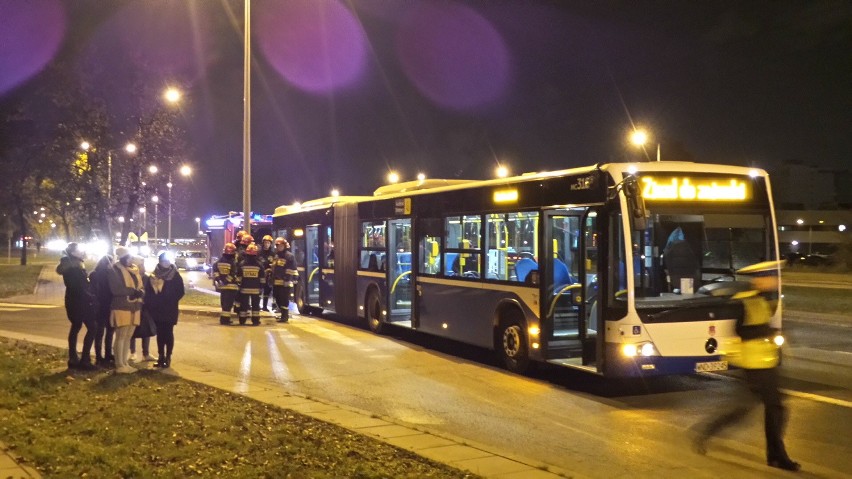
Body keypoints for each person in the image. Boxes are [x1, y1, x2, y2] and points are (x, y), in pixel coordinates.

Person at [693, 260, 800, 472]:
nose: (777, 281)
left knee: (767, 408)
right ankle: (776, 456)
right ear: (761, 279)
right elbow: (739, 331)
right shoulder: (745, 302)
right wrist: (767, 333)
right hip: (753, 364)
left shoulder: (761, 301)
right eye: (772, 277)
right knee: (767, 408)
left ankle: (776, 456)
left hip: (765, 361)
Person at [56, 242, 97, 370]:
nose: (81, 251)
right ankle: (84, 359)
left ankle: (74, 358)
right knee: (92, 327)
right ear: (73, 252)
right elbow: (79, 287)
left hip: (73, 301)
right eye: (79, 250)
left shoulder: (72, 265)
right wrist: (91, 297)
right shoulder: (74, 267)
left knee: (76, 327)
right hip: (80, 302)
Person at [108, 246, 145, 374]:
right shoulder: (114, 270)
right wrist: (133, 292)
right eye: (129, 258)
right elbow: (116, 289)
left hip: (134, 307)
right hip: (121, 306)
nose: (131, 260)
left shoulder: (134, 271)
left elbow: (140, 286)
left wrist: (140, 293)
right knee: (121, 336)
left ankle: (125, 362)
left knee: (128, 336)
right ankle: (119, 364)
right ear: (123, 258)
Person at [146, 252, 185, 368]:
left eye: (168, 261)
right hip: (157, 309)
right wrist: (152, 302)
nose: (166, 263)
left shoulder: (175, 275)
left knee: (168, 333)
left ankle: (168, 356)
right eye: (164, 261)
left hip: (169, 309)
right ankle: (160, 356)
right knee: (160, 334)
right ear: (160, 262)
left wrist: (170, 299)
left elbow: (180, 292)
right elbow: (148, 292)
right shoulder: (153, 276)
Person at [89, 254, 115, 367]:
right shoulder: (110, 275)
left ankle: (99, 355)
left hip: (100, 306)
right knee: (109, 331)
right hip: (107, 305)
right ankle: (107, 354)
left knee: (100, 332)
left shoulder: (95, 274)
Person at [129, 256, 156, 362]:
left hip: (144, 307)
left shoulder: (147, 278)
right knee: (132, 330)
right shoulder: (131, 276)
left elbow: (150, 292)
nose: (142, 267)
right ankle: (132, 352)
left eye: (142, 265)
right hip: (133, 306)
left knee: (146, 330)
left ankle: (146, 353)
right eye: (140, 265)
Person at [270, 237, 297, 323]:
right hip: (277, 282)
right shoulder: (276, 255)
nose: (279, 247)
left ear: (284, 246)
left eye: (281, 246)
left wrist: (287, 279)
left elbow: (292, 269)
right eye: (278, 246)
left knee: (284, 299)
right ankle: (282, 314)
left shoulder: (289, 256)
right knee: (277, 298)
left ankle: (285, 316)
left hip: (285, 283)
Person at [235, 242, 263, 326]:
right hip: (256, 290)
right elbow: (262, 278)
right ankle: (255, 321)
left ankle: (242, 320)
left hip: (244, 289)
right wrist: (261, 288)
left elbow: (239, 277)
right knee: (255, 306)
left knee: (244, 306)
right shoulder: (259, 264)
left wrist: (239, 286)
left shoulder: (242, 264)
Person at [212, 242, 239, 325]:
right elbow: (233, 273)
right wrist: (226, 281)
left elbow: (215, 272)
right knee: (228, 305)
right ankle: (225, 320)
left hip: (222, 287)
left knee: (224, 304)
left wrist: (220, 281)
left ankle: (223, 319)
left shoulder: (218, 262)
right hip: (231, 287)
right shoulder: (232, 262)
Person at [259, 235, 275, 312]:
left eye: (268, 243)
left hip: (269, 275)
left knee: (267, 290)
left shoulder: (273, 254)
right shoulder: (259, 253)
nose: (267, 244)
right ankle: (257, 305)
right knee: (259, 290)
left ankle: (265, 306)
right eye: (265, 243)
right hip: (260, 275)